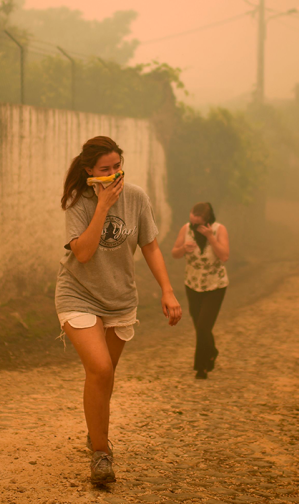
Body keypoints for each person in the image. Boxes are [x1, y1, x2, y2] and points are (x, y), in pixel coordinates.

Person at [56, 136, 183, 485]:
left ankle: (95, 432)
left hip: (120, 299)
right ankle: (101, 454)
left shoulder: (137, 197)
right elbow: (82, 253)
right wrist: (102, 207)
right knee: (99, 369)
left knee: (106, 376)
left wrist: (168, 291)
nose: (113, 175)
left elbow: (151, 247)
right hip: (78, 293)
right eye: (104, 170)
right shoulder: (78, 202)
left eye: (117, 167)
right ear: (89, 172)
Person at [170, 202, 229, 380]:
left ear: (207, 220)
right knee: (200, 327)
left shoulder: (219, 230)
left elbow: (224, 256)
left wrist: (210, 237)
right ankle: (211, 351)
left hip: (215, 285)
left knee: (204, 326)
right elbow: (174, 253)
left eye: (198, 223)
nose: (194, 226)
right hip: (192, 284)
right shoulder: (185, 229)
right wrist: (182, 249)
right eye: (192, 222)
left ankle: (201, 367)